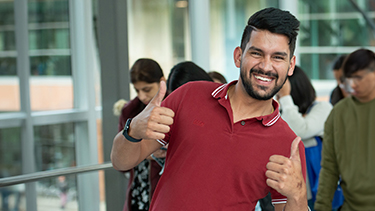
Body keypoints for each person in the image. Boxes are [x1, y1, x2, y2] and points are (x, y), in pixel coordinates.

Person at [111, 7, 308, 211]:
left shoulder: (288, 144)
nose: (266, 67)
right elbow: (121, 162)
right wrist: (132, 130)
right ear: (238, 56)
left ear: (291, 65)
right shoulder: (188, 96)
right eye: (257, 53)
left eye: (278, 57)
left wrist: (298, 194)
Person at [314, 48, 375, 211]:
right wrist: (321, 207)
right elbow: (329, 168)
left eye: (358, 78)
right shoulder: (338, 113)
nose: (352, 84)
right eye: (348, 79)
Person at [277, 66, 333, 210]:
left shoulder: (323, 108)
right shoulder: (283, 112)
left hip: (319, 187)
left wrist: (285, 97)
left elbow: (300, 130)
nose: (277, 95)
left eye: (280, 89)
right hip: (292, 188)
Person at [117, 58, 167, 211]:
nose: (141, 96)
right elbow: (121, 160)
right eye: (137, 90)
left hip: (164, 186)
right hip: (139, 188)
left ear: (162, 82)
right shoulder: (129, 111)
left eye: (146, 90)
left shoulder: (172, 106)